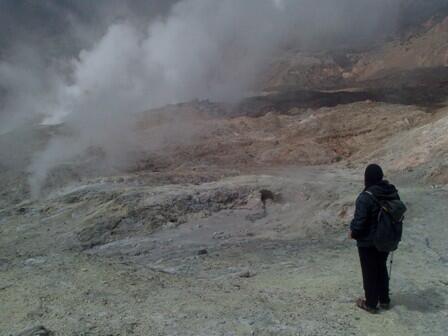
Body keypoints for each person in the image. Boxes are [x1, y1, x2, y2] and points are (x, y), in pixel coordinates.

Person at [350, 164, 400, 313]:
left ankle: (371, 304)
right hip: (386, 238)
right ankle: (384, 300)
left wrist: (353, 232)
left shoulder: (365, 197)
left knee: (369, 272)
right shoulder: (392, 192)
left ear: (367, 178)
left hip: (368, 242)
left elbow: (360, 222)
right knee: (381, 267)